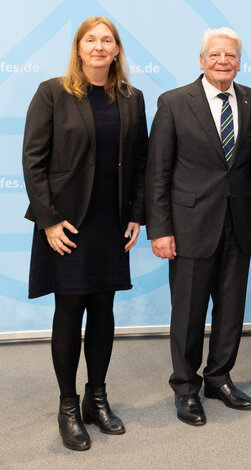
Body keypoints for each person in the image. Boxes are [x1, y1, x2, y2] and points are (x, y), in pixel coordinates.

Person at [22, 16, 147, 451]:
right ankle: (69, 406)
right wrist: (49, 220)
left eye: (106, 40)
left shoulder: (133, 98)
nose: (98, 47)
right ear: (78, 49)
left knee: (103, 309)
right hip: (68, 223)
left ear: (116, 50)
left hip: (111, 223)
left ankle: (98, 397)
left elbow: (140, 164)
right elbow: (33, 162)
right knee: (69, 310)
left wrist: (137, 213)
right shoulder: (53, 93)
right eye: (90, 40)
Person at [145, 27, 251, 426]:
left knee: (231, 308)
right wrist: (160, 229)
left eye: (230, 56)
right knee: (188, 312)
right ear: (201, 61)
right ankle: (185, 387)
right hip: (188, 225)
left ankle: (219, 377)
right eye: (214, 55)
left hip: (240, 222)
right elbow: (157, 172)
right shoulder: (174, 102)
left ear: (238, 61)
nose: (222, 61)